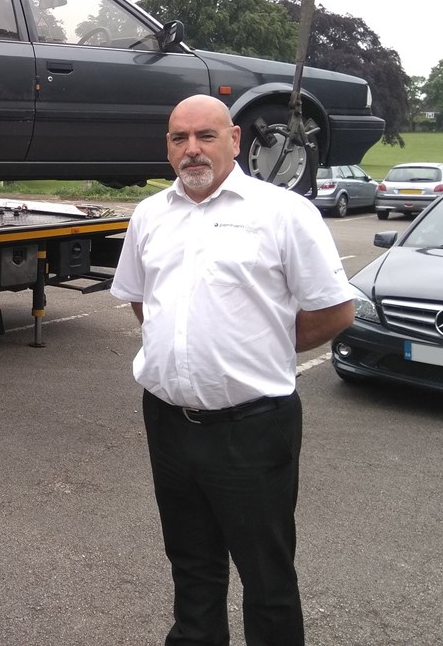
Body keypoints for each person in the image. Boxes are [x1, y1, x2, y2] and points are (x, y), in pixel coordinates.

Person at [110, 95, 354, 646]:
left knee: (266, 577)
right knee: (191, 566)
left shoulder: (283, 212)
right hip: (169, 423)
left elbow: (336, 311)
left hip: (253, 427)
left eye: (206, 136)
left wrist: (261, 345)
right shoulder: (150, 214)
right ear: (168, 147)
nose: (192, 149)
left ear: (236, 140)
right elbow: (141, 300)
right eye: (179, 139)